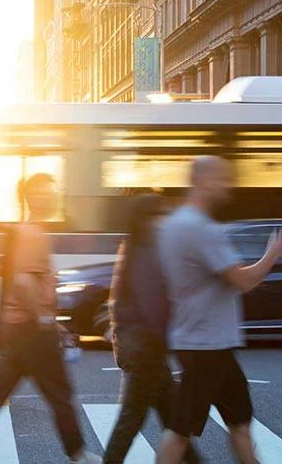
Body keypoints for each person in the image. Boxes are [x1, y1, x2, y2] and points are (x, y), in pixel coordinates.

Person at [0, 173, 101, 464]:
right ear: (31, 198)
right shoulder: (32, 234)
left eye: (52, 192)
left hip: (18, 327)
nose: (50, 197)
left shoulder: (27, 231)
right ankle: (78, 455)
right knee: (60, 393)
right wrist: (44, 320)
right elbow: (24, 283)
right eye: (44, 193)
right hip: (31, 329)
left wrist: (52, 319)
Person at [156, 156, 282, 464]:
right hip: (206, 345)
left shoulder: (174, 224)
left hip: (208, 341)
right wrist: (273, 253)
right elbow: (243, 280)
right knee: (179, 431)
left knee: (239, 422)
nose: (229, 186)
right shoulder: (200, 228)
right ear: (205, 181)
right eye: (223, 178)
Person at [104, 193, 199, 464]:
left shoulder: (136, 246)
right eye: (158, 215)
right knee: (132, 419)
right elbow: (152, 305)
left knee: (171, 415)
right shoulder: (146, 249)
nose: (163, 221)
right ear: (144, 219)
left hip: (142, 346)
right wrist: (174, 343)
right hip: (146, 347)